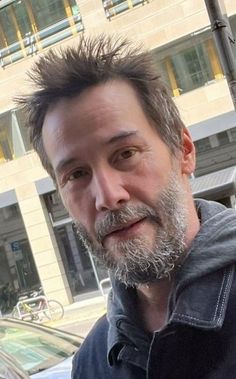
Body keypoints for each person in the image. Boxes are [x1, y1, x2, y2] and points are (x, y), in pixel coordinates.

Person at [17, 35, 236, 379]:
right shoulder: (91, 362)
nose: (107, 196)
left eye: (126, 154)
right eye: (76, 174)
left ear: (184, 151)